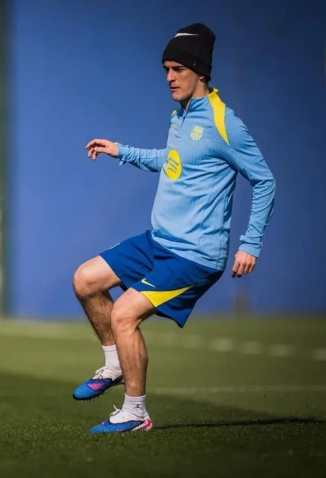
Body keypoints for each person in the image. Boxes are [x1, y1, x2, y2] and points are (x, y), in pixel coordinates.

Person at [74, 23, 276, 433]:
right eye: (166, 68)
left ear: (200, 71)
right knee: (85, 280)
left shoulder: (225, 124)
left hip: (194, 255)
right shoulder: (181, 115)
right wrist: (122, 151)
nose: (169, 77)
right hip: (158, 241)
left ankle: (135, 412)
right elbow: (174, 159)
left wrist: (250, 243)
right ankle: (115, 364)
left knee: (125, 314)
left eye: (177, 69)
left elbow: (265, 180)